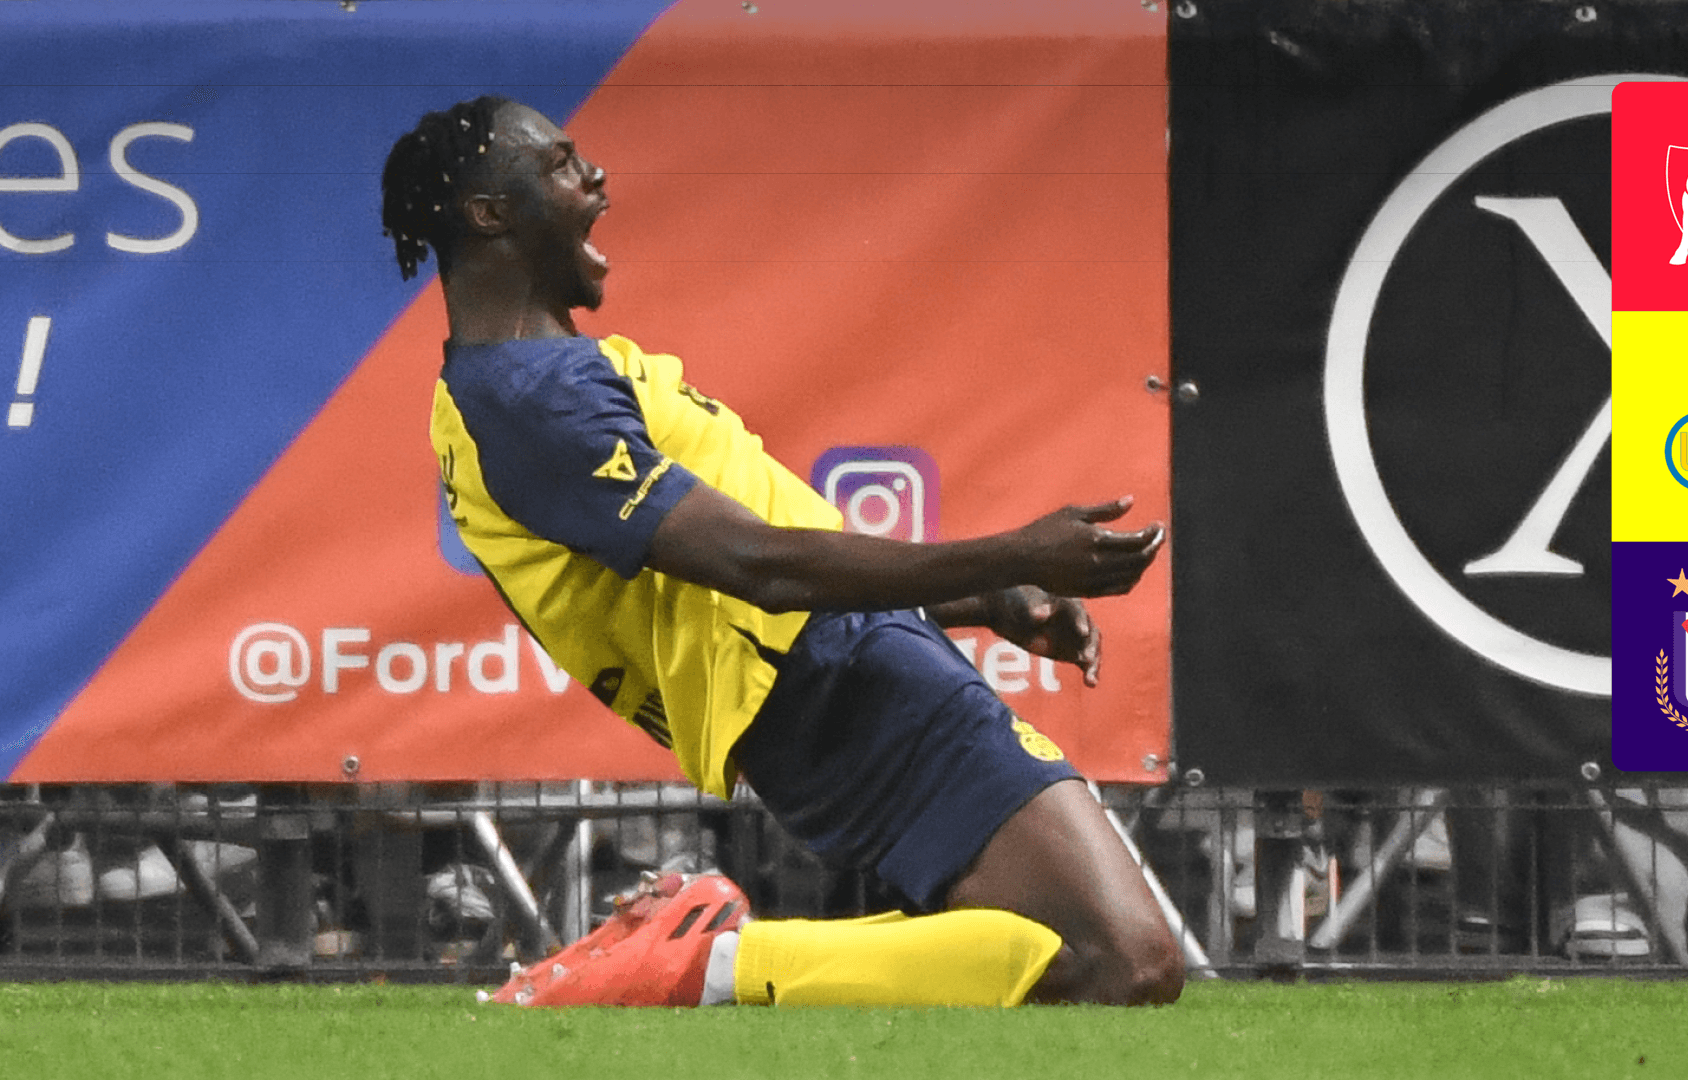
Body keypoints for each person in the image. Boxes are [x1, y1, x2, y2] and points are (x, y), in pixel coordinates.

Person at [380, 96, 1180, 1007]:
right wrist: (1010, 557)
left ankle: (703, 952)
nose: (593, 176)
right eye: (560, 164)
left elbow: (748, 571)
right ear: (490, 213)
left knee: (1064, 958)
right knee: (1131, 960)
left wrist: (984, 602)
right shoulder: (532, 399)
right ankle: (705, 957)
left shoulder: (529, 384)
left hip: (824, 679)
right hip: (836, 681)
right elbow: (758, 567)